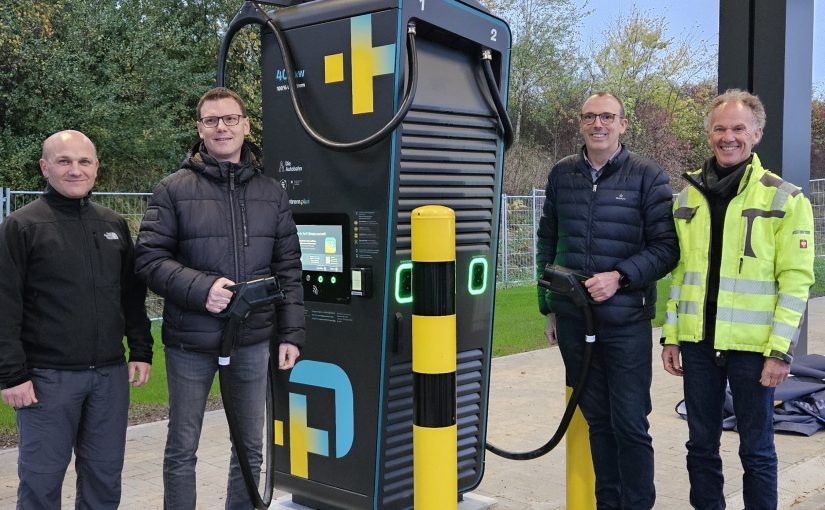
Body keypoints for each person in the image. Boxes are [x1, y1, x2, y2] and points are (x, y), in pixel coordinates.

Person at [134, 86, 305, 509]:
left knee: (250, 447)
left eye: (229, 119)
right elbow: (149, 260)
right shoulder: (172, 189)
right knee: (182, 448)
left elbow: (289, 269)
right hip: (190, 342)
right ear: (199, 129)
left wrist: (291, 335)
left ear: (246, 126)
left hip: (252, 340)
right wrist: (201, 289)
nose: (221, 127)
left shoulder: (272, 193)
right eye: (211, 120)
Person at [661, 89, 815, 510]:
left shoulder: (785, 197)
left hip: (755, 350)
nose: (728, 137)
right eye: (720, 128)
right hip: (697, 345)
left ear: (757, 134)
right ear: (709, 134)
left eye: (738, 128)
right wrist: (671, 336)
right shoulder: (688, 195)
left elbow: (796, 282)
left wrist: (780, 352)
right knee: (700, 447)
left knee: (758, 450)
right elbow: (681, 273)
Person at [537, 92, 679, 509]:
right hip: (574, 322)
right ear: (580, 123)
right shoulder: (562, 174)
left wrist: (620, 277)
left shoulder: (648, 176)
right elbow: (548, 239)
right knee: (597, 420)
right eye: (589, 117)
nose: (597, 124)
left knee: (630, 424)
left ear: (622, 123)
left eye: (606, 117)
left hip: (624, 323)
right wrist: (548, 305)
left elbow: (667, 248)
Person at [0, 130, 153, 509]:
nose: (74, 170)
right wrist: (11, 375)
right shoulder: (22, 226)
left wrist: (141, 349)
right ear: (44, 167)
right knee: (41, 481)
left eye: (84, 161)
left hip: (108, 377)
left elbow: (131, 295)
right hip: (47, 380)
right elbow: (5, 303)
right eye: (64, 161)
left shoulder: (113, 224)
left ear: (96, 168)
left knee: (104, 478)